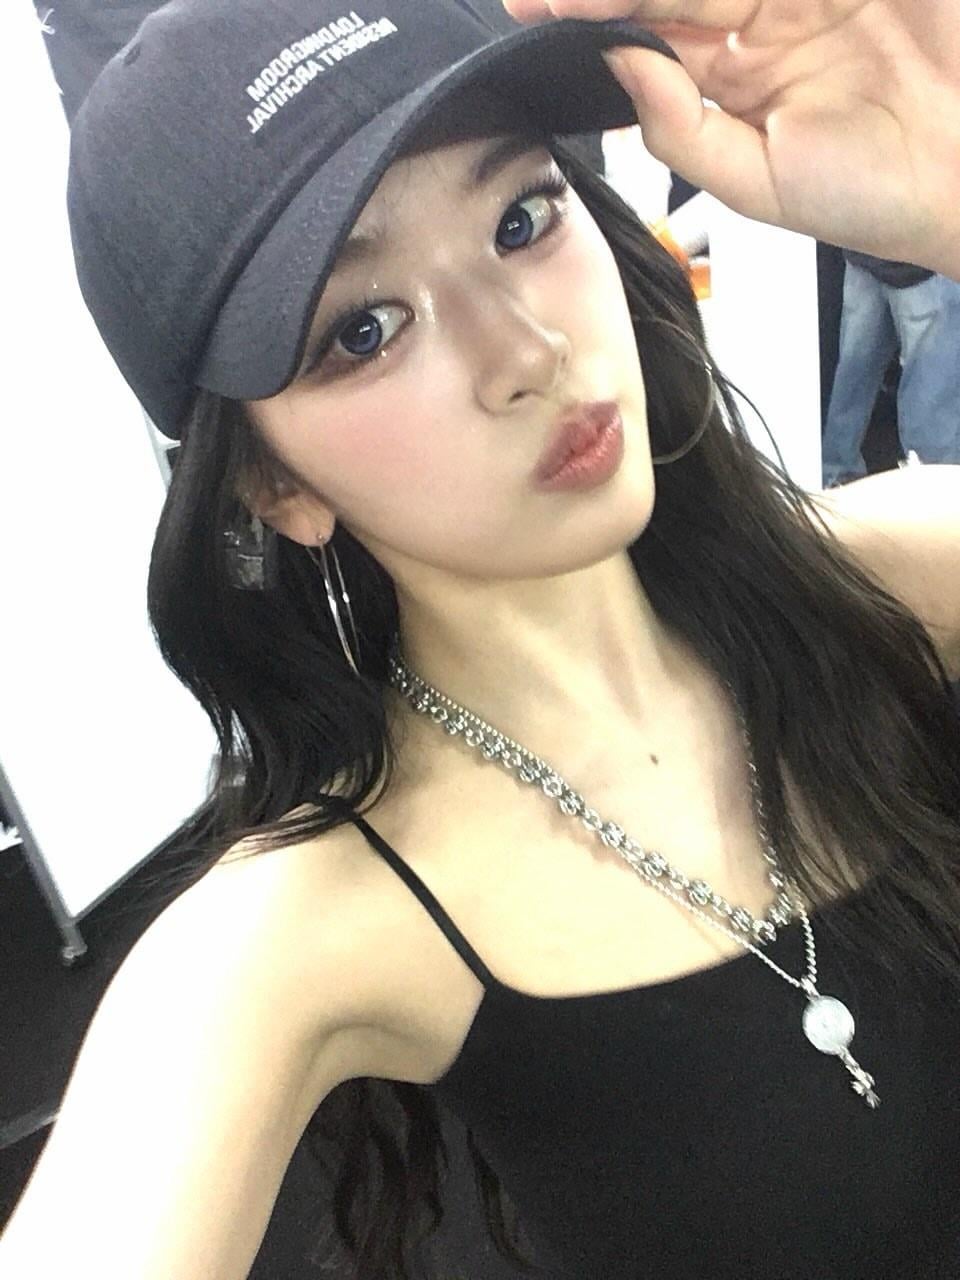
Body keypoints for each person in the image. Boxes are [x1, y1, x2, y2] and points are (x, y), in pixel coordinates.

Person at [2, 1, 960, 1278]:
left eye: (520, 218)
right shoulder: (308, 922)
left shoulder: (893, 580)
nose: (526, 350)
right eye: (364, 329)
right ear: (274, 486)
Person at [821, 249, 960, 486]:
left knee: (852, 382)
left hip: (863, 251)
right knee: (932, 401)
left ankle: (835, 479)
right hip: (927, 266)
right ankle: (932, 493)